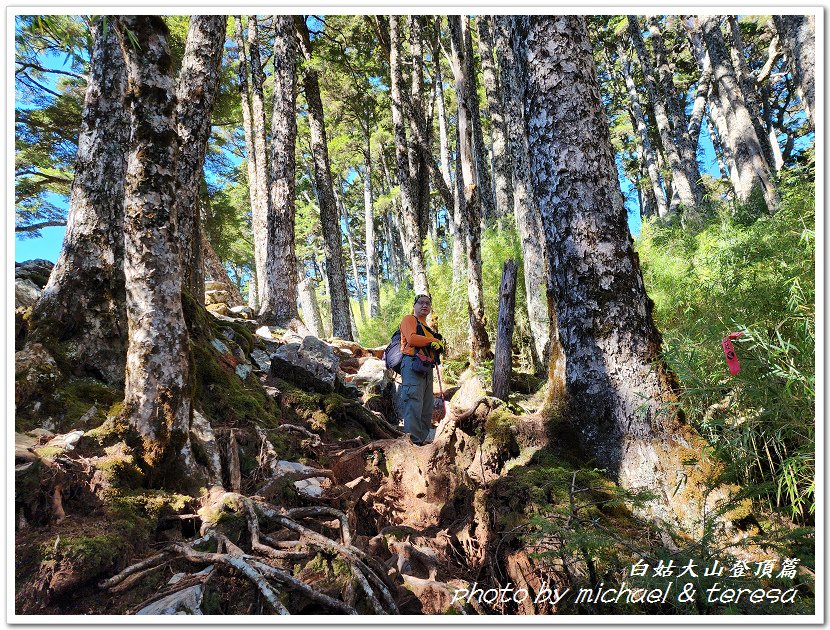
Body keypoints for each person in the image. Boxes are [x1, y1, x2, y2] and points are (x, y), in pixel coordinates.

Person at [399, 294, 445, 445]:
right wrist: (433, 340)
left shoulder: (428, 329)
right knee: (413, 403)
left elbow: (431, 346)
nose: (424, 305)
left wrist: (438, 345)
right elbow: (412, 339)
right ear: (415, 305)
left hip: (426, 367)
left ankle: (421, 441)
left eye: (427, 303)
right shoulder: (409, 319)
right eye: (421, 303)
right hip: (412, 364)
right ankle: (412, 443)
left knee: (426, 406)